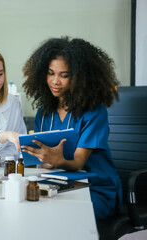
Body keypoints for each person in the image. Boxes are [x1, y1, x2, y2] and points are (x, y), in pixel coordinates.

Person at [21, 37, 122, 220]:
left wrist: (56, 159)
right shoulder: (44, 113)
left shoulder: (94, 112)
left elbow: (78, 162)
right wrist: (46, 160)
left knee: (63, 219)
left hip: (95, 188)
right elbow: (45, 162)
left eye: (64, 75)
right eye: (50, 73)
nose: (55, 81)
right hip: (59, 186)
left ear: (79, 77)